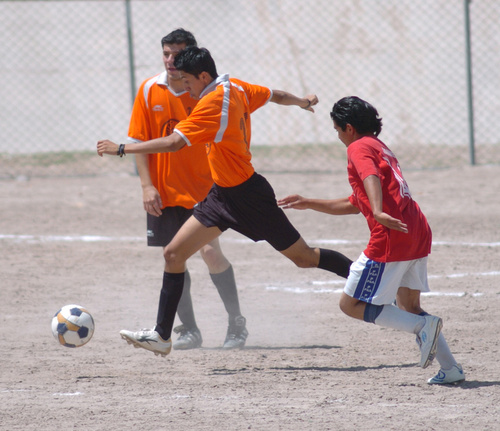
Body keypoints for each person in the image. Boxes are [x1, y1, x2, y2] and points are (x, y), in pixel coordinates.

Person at [97, 46, 353, 358]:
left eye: (188, 81)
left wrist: (121, 149)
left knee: (304, 257)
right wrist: (303, 101)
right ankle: (162, 335)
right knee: (173, 254)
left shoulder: (213, 103)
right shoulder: (236, 86)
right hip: (220, 195)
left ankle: (366, 279)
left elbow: (174, 143)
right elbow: (276, 95)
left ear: (204, 76)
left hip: (250, 196)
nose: (185, 88)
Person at [278, 96, 465, 385]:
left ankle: (422, 327)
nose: (338, 136)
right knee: (410, 305)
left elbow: (370, 177)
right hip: (415, 229)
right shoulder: (379, 146)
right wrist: (309, 202)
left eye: (337, 130)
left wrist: (377, 211)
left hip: (391, 235)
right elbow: (355, 203)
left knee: (350, 304)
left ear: (349, 128)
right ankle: (450, 368)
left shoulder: (358, 147)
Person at [128, 29, 248, 350]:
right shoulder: (149, 90)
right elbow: (139, 141)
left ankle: (236, 323)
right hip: (166, 192)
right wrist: (147, 186)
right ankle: (190, 330)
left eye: (177, 54)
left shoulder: (205, 92)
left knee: (210, 252)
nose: (170, 60)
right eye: (166, 53)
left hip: (205, 189)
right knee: (174, 257)